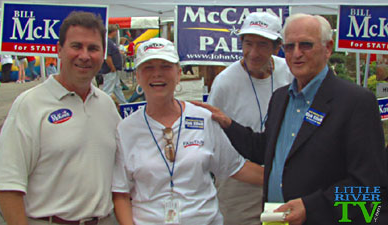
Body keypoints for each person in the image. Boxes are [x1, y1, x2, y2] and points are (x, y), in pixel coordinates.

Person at [194, 14, 387, 225]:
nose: (296, 54)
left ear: (328, 48)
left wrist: (311, 206)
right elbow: (264, 148)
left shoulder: (356, 102)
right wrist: (228, 123)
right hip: (275, 219)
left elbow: (370, 188)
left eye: (305, 45)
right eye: (289, 46)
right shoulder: (281, 97)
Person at [112, 38, 264, 225]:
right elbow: (120, 193)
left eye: (165, 66)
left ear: (178, 74)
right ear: (137, 76)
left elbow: (236, 167)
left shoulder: (203, 118)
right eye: (148, 67)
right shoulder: (126, 129)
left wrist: (289, 181)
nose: (157, 74)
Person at [0, 11, 121, 225]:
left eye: (93, 48)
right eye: (76, 46)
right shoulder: (29, 105)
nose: (85, 55)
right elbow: (8, 186)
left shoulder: (106, 105)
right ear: (59, 50)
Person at [208, 12, 293, 225]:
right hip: (239, 182)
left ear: (277, 47)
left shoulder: (289, 72)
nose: (253, 53)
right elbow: (214, 138)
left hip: (282, 179)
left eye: (263, 45)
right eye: (248, 43)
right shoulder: (224, 82)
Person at [100, 24, 127, 104]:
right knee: (108, 89)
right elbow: (108, 56)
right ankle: (103, 104)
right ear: (114, 31)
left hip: (114, 69)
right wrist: (112, 67)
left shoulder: (110, 41)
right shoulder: (108, 42)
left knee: (117, 87)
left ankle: (124, 103)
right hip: (110, 70)